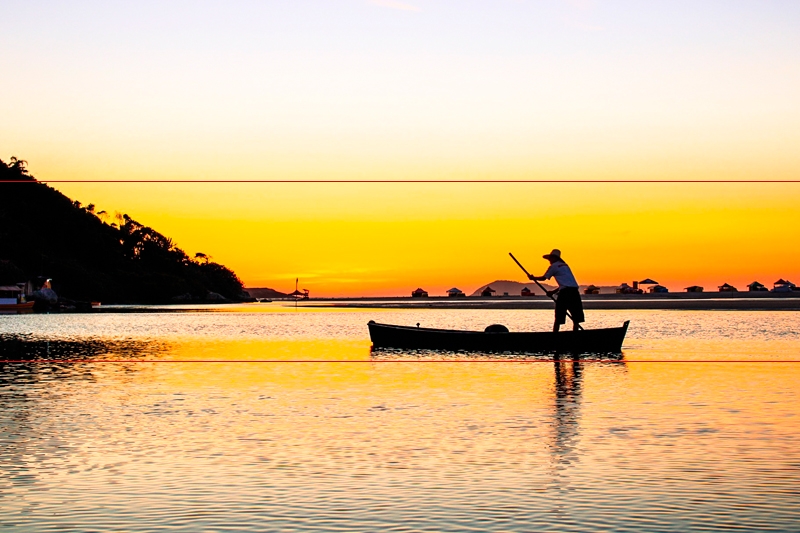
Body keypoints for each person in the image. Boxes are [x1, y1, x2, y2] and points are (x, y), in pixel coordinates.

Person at [529, 249, 585, 332]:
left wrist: (533, 278)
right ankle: (575, 332)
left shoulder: (554, 266)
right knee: (576, 316)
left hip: (566, 293)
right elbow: (566, 284)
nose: (550, 261)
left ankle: (555, 334)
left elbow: (544, 278)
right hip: (574, 292)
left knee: (559, 315)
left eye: (551, 259)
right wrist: (553, 292)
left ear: (555, 258)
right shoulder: (565, 265)